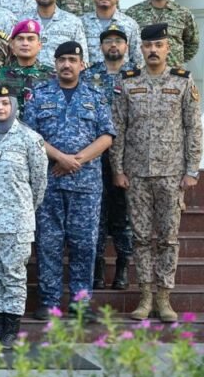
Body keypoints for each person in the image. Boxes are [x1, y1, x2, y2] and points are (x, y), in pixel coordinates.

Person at [112, 24, 203, 321]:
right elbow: (119, 128)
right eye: (149, 45)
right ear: (141, 48)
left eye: (159, 45)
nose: (153, 50)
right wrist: (118, 169)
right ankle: (145, 296)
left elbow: (194, 128)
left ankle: (164, 298)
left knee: (168, 238)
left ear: (167, 48)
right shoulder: (127, 82)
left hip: (171, 173)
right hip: (136, 173)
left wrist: (192, 170)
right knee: (140, 238)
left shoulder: (182, 81)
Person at [23, 41, 115, 319]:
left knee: (84, 244)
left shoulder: (96, 96)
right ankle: (49, 302)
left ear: (81, 64)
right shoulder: (38, 94)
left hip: (86, 185)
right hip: (49, 182)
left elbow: (106, 136)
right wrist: (60, 158)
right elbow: (30, 134)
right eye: (62, 59)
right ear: (55, 63)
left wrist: (77, 160)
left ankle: (81, 303)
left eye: (72, 60)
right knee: (48, 244)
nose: (67, 64)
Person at [0, 83, 47, 348]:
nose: (0, 108)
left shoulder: (30, 139)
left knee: (13, 275)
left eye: (5, 103)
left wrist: (24, 209)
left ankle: (11, 329)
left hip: (17, 221)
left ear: (14, 106)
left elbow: (38, 183)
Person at [86, 25, 136, 290]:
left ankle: (123, 268)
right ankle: (97, 268)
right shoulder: (89, 75)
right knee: (97, 214)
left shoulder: (135, 76)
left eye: (118, 41)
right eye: (108, 41)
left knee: (123, 216)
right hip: (95, 155)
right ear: (101, 46)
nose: (113, 45)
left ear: (126, 46)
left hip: (127, 157)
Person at [126, 0, 200, 67]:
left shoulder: (183, 13)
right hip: (142, 75)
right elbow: (126, 44)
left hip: (174, 77)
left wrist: (175, 61)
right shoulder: (133, 13)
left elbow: (192, 44)